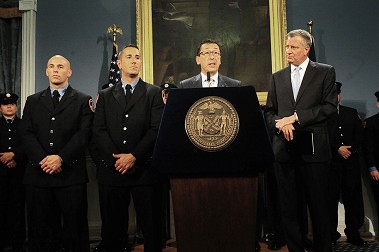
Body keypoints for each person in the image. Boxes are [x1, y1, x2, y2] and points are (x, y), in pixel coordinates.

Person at [264, 29, 337, 252]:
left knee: (318, 207)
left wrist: (295, 118)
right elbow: (269, 111)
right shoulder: (277, 77)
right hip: (284, 151)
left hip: (314, 149)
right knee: (289, 208)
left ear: (307, 49)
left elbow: (329, 107)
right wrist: (280, 123)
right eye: (287, 47)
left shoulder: (325, 72)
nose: (288, 51)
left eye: (293, 47)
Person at [93, 44, 164, 252]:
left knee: (151, 228)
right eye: (130, 57)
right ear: (119, 63)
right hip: (113, 171)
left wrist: (133, 156)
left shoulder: (154, 92)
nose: (134, 60)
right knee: (113, 231)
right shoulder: (105, 95)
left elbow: (155, 129)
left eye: (138, 57)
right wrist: (118, 159)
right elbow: (98, 130)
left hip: (144, 171)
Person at [21, 55, 93, 252]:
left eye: (60, 66)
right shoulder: (33, 101)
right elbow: (26, 133)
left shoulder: (82, 100)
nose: (55, 70)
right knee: (39, 230)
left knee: (74, 229)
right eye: (51, 66)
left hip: (70, 175)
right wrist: (43, 159)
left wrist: (60, 158)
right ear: (46, 71)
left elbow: (84, 134)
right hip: (38, 175)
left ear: (69, 72)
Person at [327, 82, 366, 246]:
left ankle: (353, 233)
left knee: (353, 199)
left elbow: (360, 135)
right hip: (332, 165)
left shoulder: (351, 113)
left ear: (339, 95)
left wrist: (349, 150)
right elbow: (323, 137)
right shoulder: (323, 115)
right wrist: (337, 148)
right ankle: (330, 234)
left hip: (351, 164)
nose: (336, 96)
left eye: (337, 93)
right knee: (329, 200)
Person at [0, 93, 26, 252]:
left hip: (19, 174)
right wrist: (3, 158)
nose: (9, 106)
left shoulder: (24, 125)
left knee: (18, 209)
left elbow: (29, 145)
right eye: (5, 104)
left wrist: (14, 155)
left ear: (16, 106)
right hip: (0, 175)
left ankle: (18, 243)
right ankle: (3, 241)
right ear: (0, 107)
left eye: (12, 104)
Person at [363, 91, 379, 224]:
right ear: (378, 104)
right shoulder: (371, 122)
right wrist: (372, 167)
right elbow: (368, 148)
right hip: (378, 170)